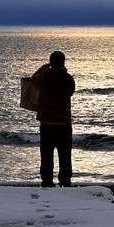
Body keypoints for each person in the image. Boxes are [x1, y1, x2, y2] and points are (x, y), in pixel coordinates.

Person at [33, 50, 75, 187]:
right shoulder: (68, 78)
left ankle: (47, 181)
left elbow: (34, 79)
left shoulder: (44, 76)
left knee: (46, 154)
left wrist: (43, 68)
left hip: (47, 123)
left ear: (50, 62)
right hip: (64, 123)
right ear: (63, 62)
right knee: (65, 155)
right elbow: (71, 90)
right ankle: (65, 181)